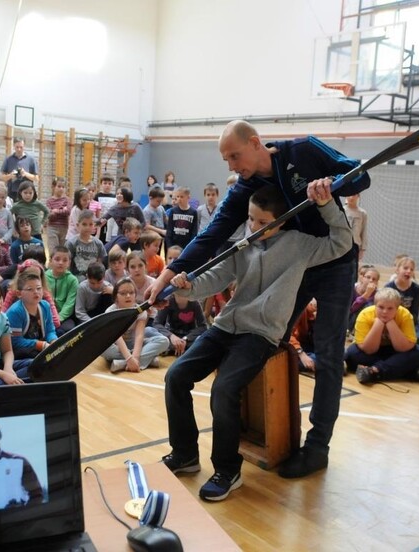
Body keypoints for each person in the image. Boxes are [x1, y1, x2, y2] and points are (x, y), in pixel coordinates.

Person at [147, 120, 370, 480]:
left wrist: (331, 185)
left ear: (254, 143)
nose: (232, 166)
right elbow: (211, 236)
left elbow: (360, 177)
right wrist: (167, 276)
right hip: (291, 266)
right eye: (226, 160)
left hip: (332, 262)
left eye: (234, 155)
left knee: (328, 355)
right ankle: (268, 432)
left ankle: (317, 447)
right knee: (269, 340)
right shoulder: (244, 191)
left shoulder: (303, 150)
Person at [161, 183, 351, 500]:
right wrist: (184, 287)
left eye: (263, 222)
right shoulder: (242, 245)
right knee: (175, 376)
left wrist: (327, 204)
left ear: (283, 220)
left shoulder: (300, 245)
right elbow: (213, 279)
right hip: (224, 327)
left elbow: (343, 242)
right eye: (251, 219)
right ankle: (185, 455)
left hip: (259, 334)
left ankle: (227, 470)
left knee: (224, 390)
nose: (254, 227)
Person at [344, 288, 419, 383]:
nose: (385, 312)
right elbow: (368, 349)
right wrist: (378, 324)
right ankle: (409, 373)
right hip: (374, 354)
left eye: (390, 308)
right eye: (381, 307)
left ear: (397, 308)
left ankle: (374, 371)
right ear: (375, 306)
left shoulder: (405, 315)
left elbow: (404, 348)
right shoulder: (365, 315)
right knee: (352, 354)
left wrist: (391, 324)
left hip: (395, 352)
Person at [100, 278, 169, 372]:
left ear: (135, 295)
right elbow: (117, 337)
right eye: (123, 293)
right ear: (116, 296)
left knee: (164, 341)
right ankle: (147, 359)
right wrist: (129, 358)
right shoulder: (110, 311)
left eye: (131, 293)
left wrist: (135, 358)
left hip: (134, 345)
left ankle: (121, 363)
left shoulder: (139, 310)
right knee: (102, 348)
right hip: (117, 346)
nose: (128, 296)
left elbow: (139, 335)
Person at [6, 267, 57, 359]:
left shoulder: (45, 306)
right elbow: (15, 341)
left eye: (38, 288)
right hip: (21, 350)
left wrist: (54, 341)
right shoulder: (15, 311)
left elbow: (50, 330)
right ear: (19, 294)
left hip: (41, 345)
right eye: (30, 289)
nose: (36, 292)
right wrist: (40, 344)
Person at [385, 256, 419, 344]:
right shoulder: (388, 287)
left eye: (411, 269)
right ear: (397, 270)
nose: (409, 271)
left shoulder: (417, 289)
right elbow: (385, 310)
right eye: (405, 268)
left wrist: (406, 325)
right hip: (391, 320)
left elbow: (414, 313)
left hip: (408, 320)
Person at [45, 246, 79, 332]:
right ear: (50, 260)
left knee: (69, 330)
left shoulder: (72, 280)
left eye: (65, 260)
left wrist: (59, 319)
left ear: (69, 263)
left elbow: (69, 303)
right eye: (57, 259)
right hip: (46, 315)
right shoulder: (43, 277)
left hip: (64, 317)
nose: (61, 263)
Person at [67, 210, 107, 281]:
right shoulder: (71, 243)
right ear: (78, 225)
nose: (87, 227)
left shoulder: (98, 244)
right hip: (75, 280)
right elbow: (67, 265)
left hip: (93, 281)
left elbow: (100, 265)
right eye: (84, 224)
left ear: (94, 225)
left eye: (91, 224)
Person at [0, 137, 38, 202]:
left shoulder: (31, 160)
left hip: (27, 193)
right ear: (13, 146)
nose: (19, 149)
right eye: (17, 147)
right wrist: (11, 175)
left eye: (21, 147)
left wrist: (25, 174)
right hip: (12, 193)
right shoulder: (8, 159)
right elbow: (2, 177)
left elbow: (36, 178)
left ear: (24, 146)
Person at [165, 186, 198, 252]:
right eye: (178, 197)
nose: (179, 199)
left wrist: (190, 246)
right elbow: (169, 230)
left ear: (188, 198)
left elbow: (194, 232)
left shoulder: (193, 212)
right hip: (173, 244)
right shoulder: (173, 211)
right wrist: (169, 246)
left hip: (186, 246)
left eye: (182, 197)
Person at [289, 299, 317, 373]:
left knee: (341, 352)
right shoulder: (300, 308)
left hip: (305, 343)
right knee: (319, 359)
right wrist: (301, 354)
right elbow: (287, 336)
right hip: (293, 348)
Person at [45, 177, 72, 252]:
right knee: (53, 249)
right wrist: (62, 210)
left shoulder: (67, 200)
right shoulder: (49, 201)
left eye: (63, 187)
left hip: (64, 227)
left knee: (63, 249)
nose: (61, 189)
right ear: (53, 187)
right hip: (52, 228)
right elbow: (49, 215)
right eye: (59, 186)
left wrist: (56, 211)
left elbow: (68, 211)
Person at [344, 193, 367, 261]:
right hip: (342, 245)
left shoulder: (363, 213)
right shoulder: (341, 210)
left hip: (356, 246)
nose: (351, 197)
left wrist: (362, 249)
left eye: (354, 195)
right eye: (349, 195)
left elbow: (364, 231)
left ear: (358, 196)